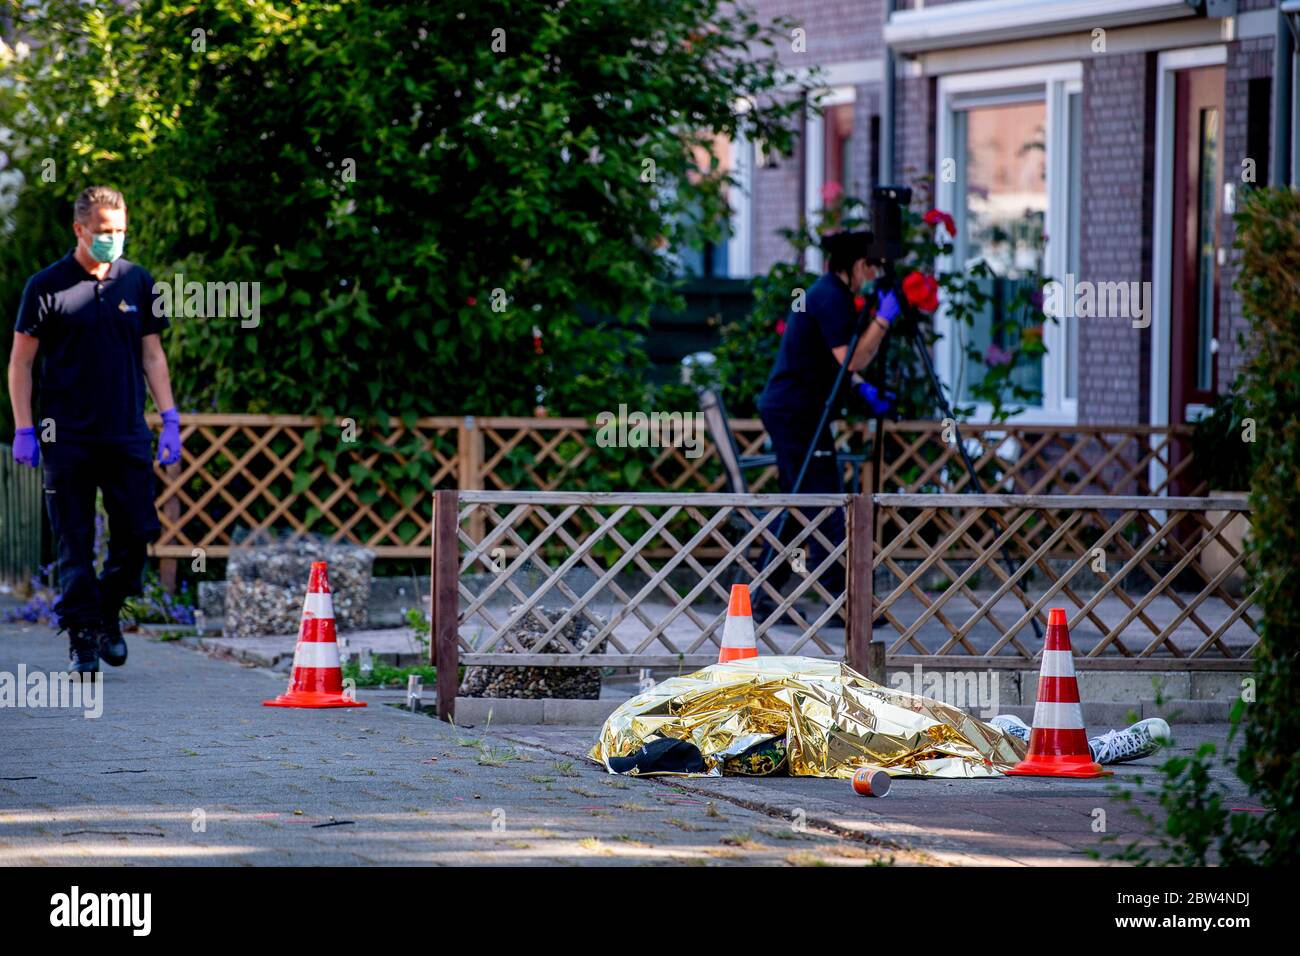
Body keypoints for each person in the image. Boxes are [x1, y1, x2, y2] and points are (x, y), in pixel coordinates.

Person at [7, 186, 181, 674]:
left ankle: (105, 613)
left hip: (126, 431)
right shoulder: (47, 286)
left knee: (138, 533)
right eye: (105, 232)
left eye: (121, 230)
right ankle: (83, 636)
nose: (115, 239)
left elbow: (153, 355)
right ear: (80, 229)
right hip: (67, 437)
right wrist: (25, 428)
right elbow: (21, 363)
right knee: (74, 539)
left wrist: (169, 418)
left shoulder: (138, 281)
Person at [755, 230, 899, 607]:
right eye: (869, 266)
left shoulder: (827, 293)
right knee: (823, 503)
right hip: (796, 413)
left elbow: (836, 364)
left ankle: (762, 596)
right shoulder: (831, 298)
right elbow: (851, 358)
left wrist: (864, 390)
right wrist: (882, 321)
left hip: (797, 410)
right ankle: (842, 602)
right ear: (854, 264)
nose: (871, 275)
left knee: (804, 499)